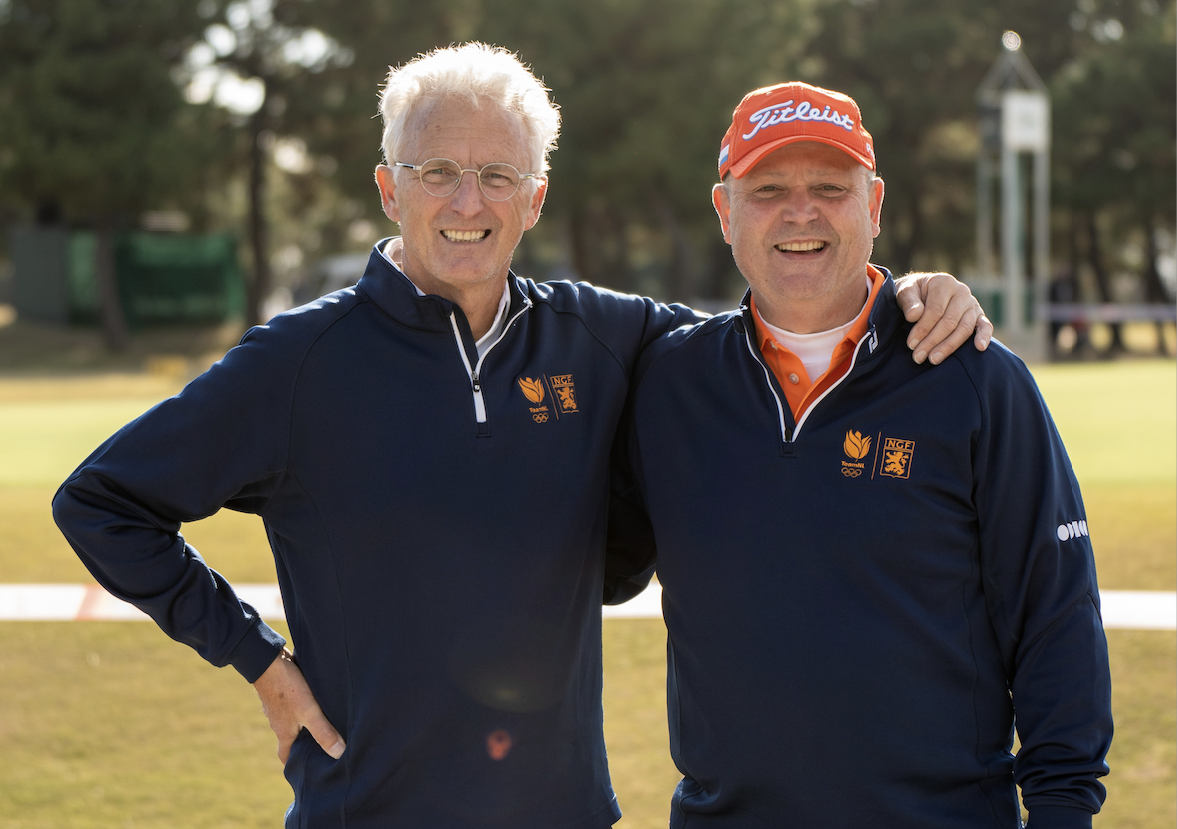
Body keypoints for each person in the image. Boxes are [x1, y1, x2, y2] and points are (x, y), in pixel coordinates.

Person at [52, 47, 989, 828]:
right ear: (388, 188)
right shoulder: (297, 361)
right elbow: (101, 502)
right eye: (438, 172)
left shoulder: (606, 336)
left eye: (497, 175)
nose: (468, 202)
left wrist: (907, 292)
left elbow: (781, 318)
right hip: (365, 808)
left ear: (534, 198)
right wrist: (256, 656)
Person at [619, 81, 1113, 828]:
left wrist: (1061, 808)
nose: (801, 212)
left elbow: (1056, 616)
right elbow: (592, 564)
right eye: (768, 190)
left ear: (874, 206)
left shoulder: (975, 377)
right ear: (724, 213)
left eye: (830, 187)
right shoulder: (666, 382)